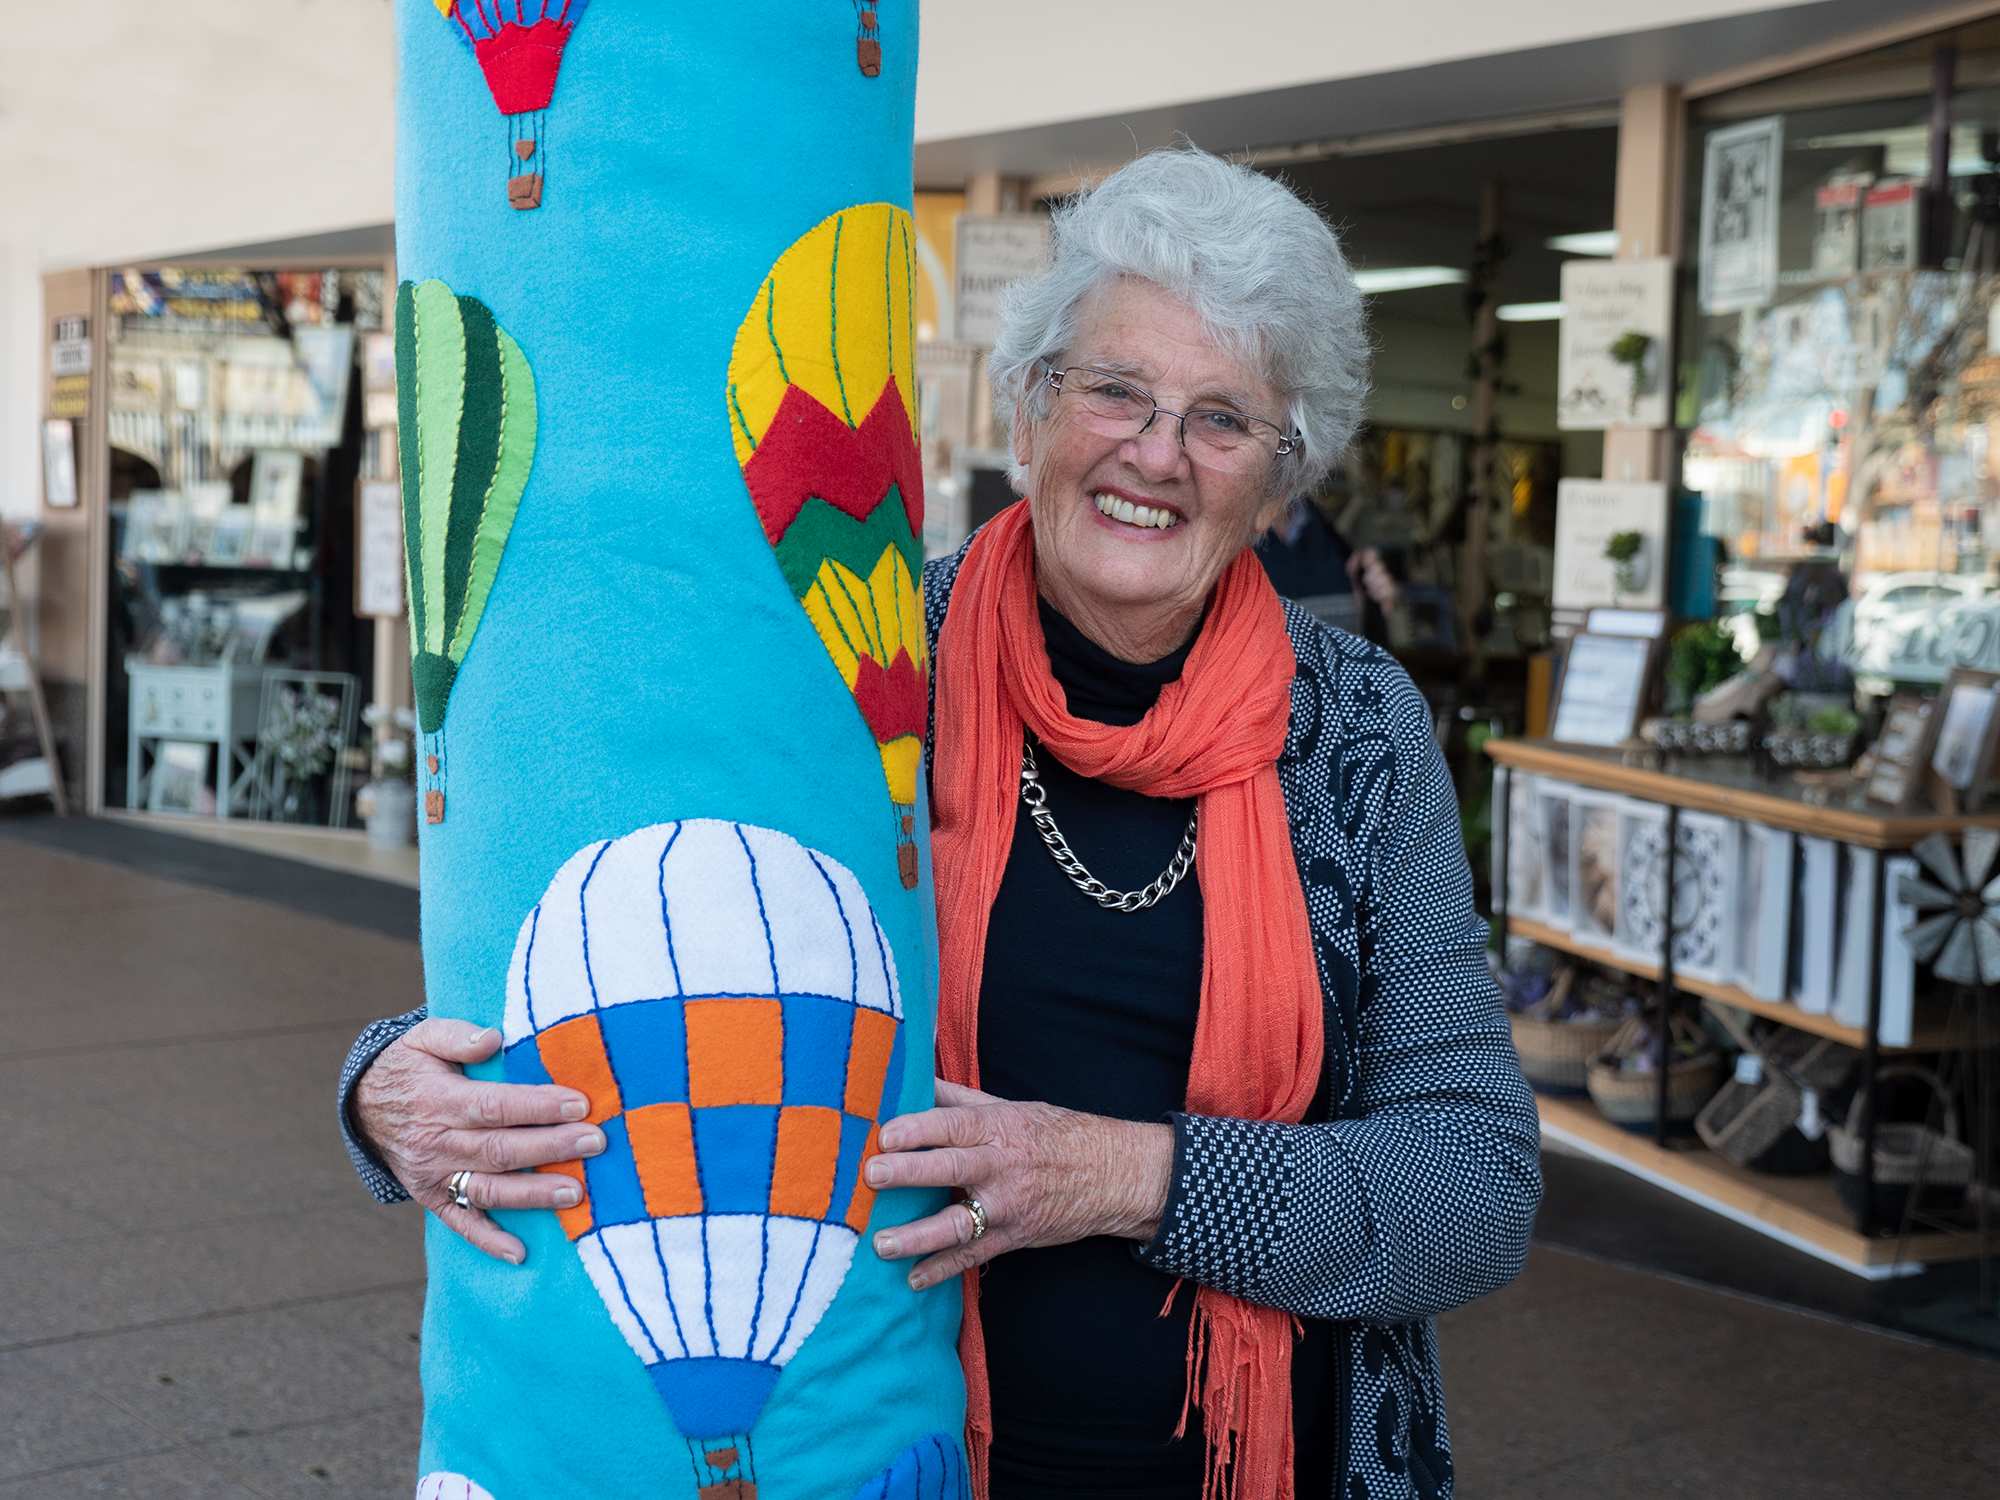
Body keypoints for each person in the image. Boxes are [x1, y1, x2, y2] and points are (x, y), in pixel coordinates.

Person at [341, 146, 1540, 1500]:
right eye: (1116, 391)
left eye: (1222, 419)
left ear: (1279, 485)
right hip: (893, 1464)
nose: (1157, 453)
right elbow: (629, 906)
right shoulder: (856, 653)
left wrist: (1119, 1175)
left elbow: (1475, 1181)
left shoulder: (1360, 731)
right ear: (1028, 413)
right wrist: (391, 1090)